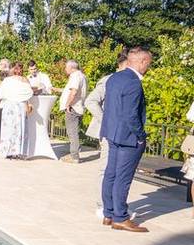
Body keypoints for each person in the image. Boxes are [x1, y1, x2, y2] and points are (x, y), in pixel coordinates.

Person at [100, 47, 153, 233]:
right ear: (142, 61)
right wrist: (140, 136)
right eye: (149, 63)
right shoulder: (133, 83)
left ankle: (108, 213)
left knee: (111, 174)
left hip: (112, 133)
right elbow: (131, 115)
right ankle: (120, 217)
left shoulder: (114, 78)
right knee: (122, 177)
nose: (148, 67)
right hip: (127, 137)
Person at [86, 50, 129, 216]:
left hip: (120, 132)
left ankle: (115, 205)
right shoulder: (109, 80)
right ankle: (102, 205)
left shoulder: (126, 80)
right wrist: (106, 120)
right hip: (109, 131)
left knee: (117, 169)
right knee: (106, 168)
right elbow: (91, 101)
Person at [0, 62, 34, 159]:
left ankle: (7, 151)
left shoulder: (7, 80)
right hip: (20, 106)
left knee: (8, 128)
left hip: (9, 105)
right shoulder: (25, 80)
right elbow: (29, 94)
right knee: (20, 128)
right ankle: (19, 151)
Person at [60, 60, 88, 164]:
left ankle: (74, 156)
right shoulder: (81, 76)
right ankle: (74, 153)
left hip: (73, 108)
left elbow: (74, 91)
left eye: (66, 67)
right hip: (77, 107)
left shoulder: (76, 76)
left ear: (71, 68)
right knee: (74, 131)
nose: (65, 69)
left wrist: (68, 104)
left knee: (72, 132)